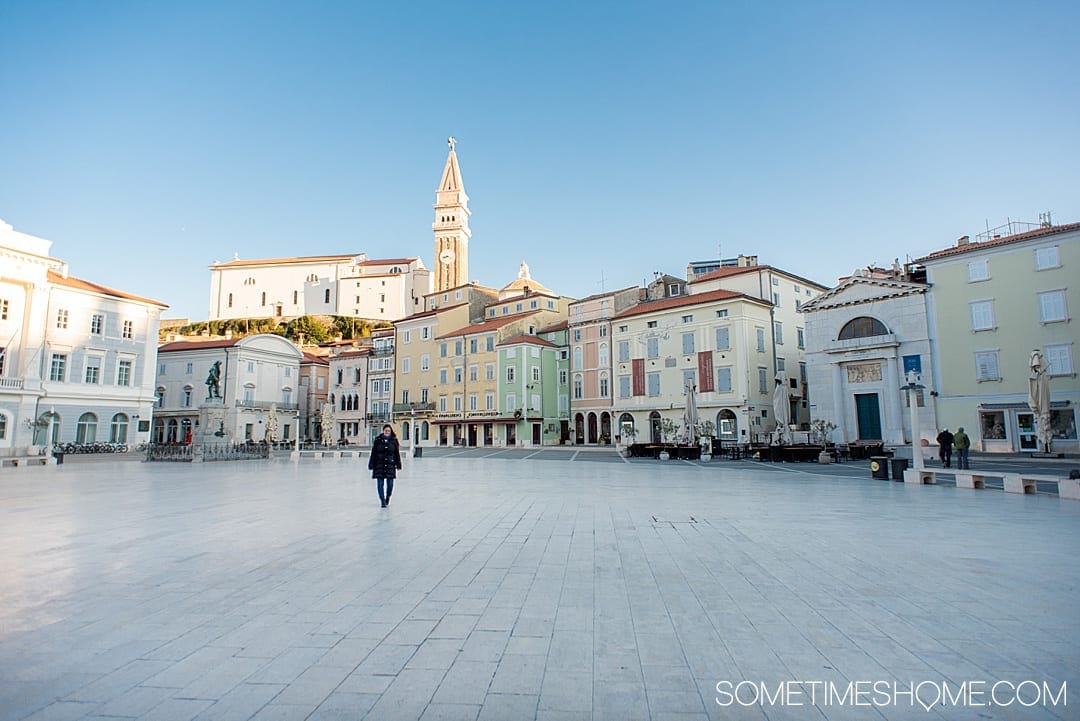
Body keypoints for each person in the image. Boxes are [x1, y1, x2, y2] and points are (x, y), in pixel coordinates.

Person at [368, 424, 402, 508]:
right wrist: (371, 464)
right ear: (383, 431)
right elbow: (373, 452)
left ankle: (388, 496)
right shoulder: (378, 440)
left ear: (391, 432)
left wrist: (398, 464)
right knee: (380, 483)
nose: (387, 432)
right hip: (379, 464)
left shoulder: (394, 441)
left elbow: (397, 453)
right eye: (386, 430)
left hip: (390, 464)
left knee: (390, 484)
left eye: (389, 431)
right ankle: (382, 500)